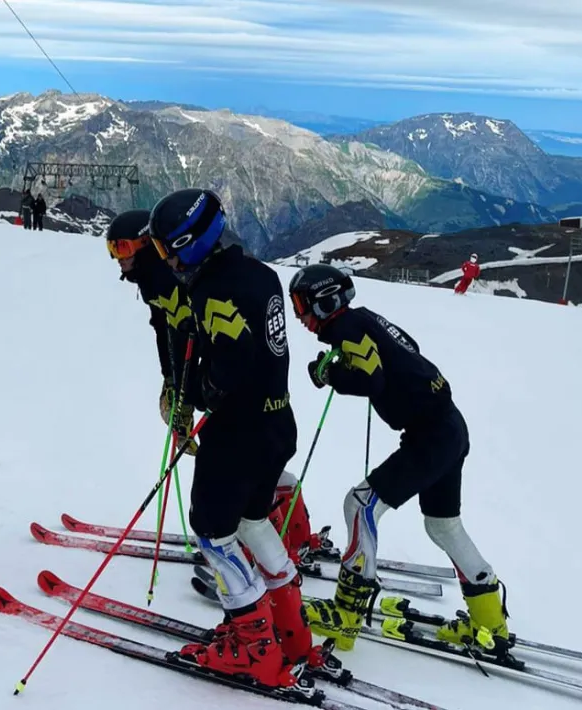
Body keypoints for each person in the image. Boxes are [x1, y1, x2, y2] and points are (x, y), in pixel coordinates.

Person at [287, 263, 509, 655]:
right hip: (449, 427)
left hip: (431, 435)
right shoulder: (362, 319)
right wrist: (340, 367)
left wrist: (331, 376)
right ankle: (490, 619)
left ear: (326, 302)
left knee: (359, 504)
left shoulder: (344, 327)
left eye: (303, 305)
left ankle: (348, 612)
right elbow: (405, 350)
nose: (300, 316)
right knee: (443, 526)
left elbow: (371, 379)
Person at [148, 188, 312, 688]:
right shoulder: (260, 274)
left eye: (167, 248)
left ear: (193, 242)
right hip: (277, 422)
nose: (167, 259)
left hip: (238, 433)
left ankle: (254, 647)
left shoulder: (215, 291)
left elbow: (225, 371)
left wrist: (188, 395)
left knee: (213, 533)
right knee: (253, 520)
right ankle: (290, 633)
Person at [105, 209, 197, 454]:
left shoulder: (167, 279)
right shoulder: (148, 278)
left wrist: (182, 394)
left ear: (144, 244)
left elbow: (183, 337)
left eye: (123, 249)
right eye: (113, 250)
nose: (118, 258)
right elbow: (161, 329)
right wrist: (169, 378)